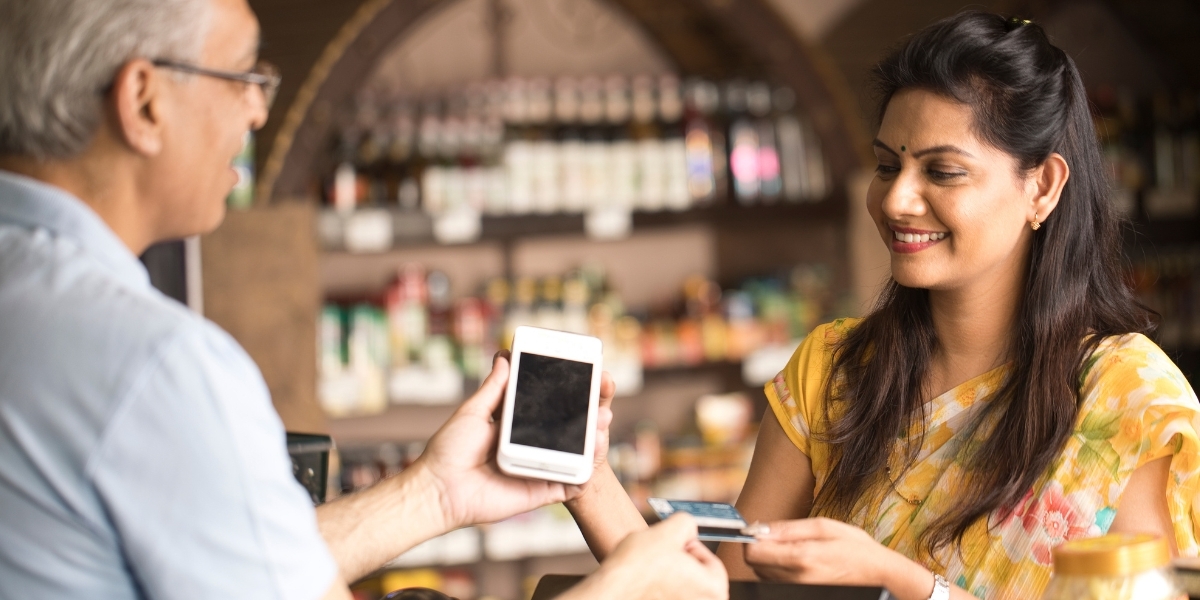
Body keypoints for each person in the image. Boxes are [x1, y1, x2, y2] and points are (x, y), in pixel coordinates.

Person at [0, 0, 728, 598]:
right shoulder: (157, 366)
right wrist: (625, 586)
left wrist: (434, 494)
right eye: (243, 75)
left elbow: (242, 563)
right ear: (144, 101)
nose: (257, 112)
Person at [565, 11, 1200, 600]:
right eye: (886, 166)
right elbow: (721, 592)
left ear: (1043, 186)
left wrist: (903, 583)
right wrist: (586, 477)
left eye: (942, 172)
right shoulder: (833, 371)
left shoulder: (1128, 402)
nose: (897, 201)